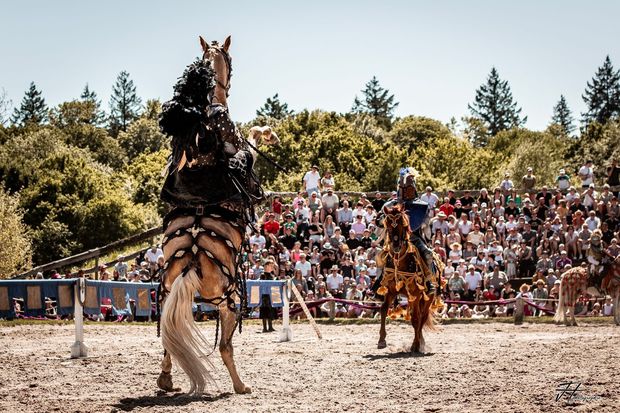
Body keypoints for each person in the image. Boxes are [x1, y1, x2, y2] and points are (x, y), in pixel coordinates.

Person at [259, 260, 277, 332]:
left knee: (270, 311)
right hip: (264, 295)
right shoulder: (263, 275)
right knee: (264, 311)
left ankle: (270, 326)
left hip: (270, 295)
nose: (272, 267)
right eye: (271, 265)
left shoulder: (271, 275)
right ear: (266, 266)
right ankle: (264, 328)